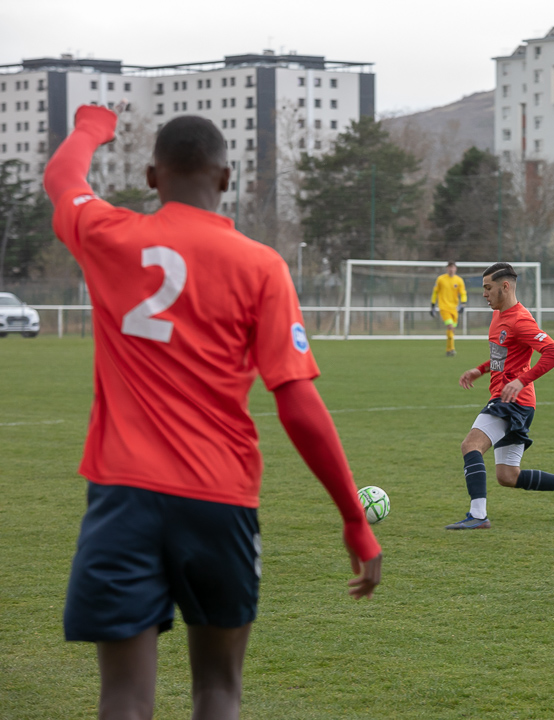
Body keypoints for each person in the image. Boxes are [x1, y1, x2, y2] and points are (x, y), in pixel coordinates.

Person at [45, 105, 382, 720]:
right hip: (219, 496)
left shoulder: (109, 235)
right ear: (227, 178)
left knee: (123, 696)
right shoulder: (261, 266)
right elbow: (298, 402)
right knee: (218, 690)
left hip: (122, 495)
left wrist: (92, 125)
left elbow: (63, 181)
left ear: (152, 177)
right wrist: (353, 518)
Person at [446, 262, 554, 529]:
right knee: (507, 476)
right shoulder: (498, 315)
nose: (484, 294)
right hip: (515, 402)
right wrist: (480, 370)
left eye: (488, 288)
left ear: (505, 286)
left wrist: (521, 380)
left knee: (470, 445)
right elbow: (501, 355)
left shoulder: (520, 319)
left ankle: (478, 516)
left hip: (511, 402)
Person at [431, 261, 468, 356]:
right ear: (447, 268)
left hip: (454, 308)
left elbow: (463, 293)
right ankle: (451, 349)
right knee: (450, 326)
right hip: (444, 308)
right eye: (449, 267)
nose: (451, 269)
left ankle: (449, 350)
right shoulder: (441, 279)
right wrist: (432, 305)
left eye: (453, 267)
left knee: (452, 330)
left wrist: (463, 304)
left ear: (455, 269)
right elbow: (435, 292)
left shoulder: (459, 280)